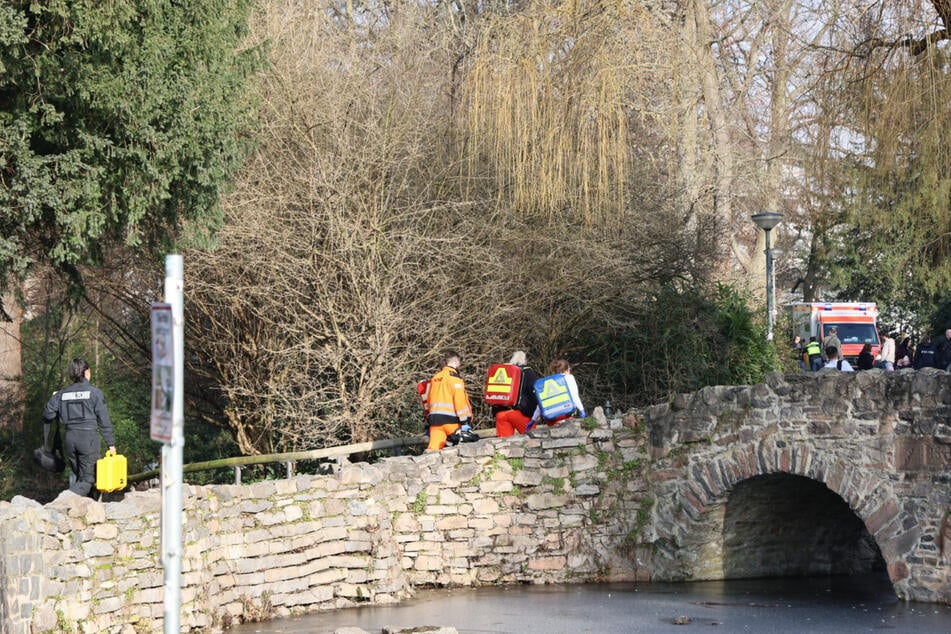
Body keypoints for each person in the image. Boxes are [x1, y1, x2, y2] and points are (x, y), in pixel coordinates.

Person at [42, 358, 117, 497]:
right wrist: (111, 444)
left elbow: (47, 414)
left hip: (70, 440)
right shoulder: (94, 393)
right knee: (88, 479)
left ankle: (87, 510)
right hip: (88, 440)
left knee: (80, 477)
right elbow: (104, 421)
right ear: (87, 372)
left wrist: (54, 398)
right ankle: (64, 500)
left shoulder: (62, 394)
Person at [425, 350, 473, 450]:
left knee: (433, 451)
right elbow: (460, 401)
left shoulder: (435, 378)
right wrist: (465, 421)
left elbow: (429, 399)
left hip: (435, 422)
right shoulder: (455, 379)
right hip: (452, 422)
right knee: (462, 451)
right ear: (455, 362)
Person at [494, 350, 541, 438]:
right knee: (531, 443)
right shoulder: (528, 372)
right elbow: (534, 393)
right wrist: (536, 414)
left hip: (501, 414)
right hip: (521, 414)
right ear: (525, 361)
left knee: (504, 446)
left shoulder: (504, 371)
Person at [530, 359, 586, 428]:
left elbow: (541, 404)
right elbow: (575, 396)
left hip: (551, 419)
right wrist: (581, 410)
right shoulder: (569, 378)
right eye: (569, 368)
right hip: (566, 415)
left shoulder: (545, 383)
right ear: (566, 370)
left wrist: (533, 419)